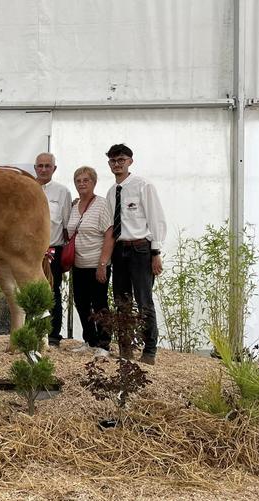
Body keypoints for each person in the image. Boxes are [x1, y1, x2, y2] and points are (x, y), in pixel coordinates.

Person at [105, 144, 166, 365]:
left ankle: (149, 351)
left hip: (141, 249)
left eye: (121, 159)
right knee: (122, 301)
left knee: (144, 301)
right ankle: (125, 349)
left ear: (130, 161)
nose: (116, 164)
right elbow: (111, 226)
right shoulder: (111, 192)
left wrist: (155, 252)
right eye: (112, 160)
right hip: (120, 250)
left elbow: (156, 218)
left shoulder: (143, 185)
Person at [66, 166, 114, 357]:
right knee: (82, 303)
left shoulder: (101, 205)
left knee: (100, 304)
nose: (82, 183)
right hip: (79, 265)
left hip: (96, 264)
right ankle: (90, 340)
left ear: (94, 182)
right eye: (78, 180)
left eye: (86, 180)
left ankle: (104, 344)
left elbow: (109, 234)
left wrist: (103, 263)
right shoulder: (74, 206)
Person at [34, 152, 72, 346]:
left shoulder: (62, 192)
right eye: (40, 166)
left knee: (53, 292)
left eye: (47, 166)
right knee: (29, 291)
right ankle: (31, 333)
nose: (43, 169)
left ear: (54, 169)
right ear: (35, 168)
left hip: (52, 250)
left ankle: (53, 335)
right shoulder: (26, 190)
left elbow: (66, 225)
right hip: (29, 253)